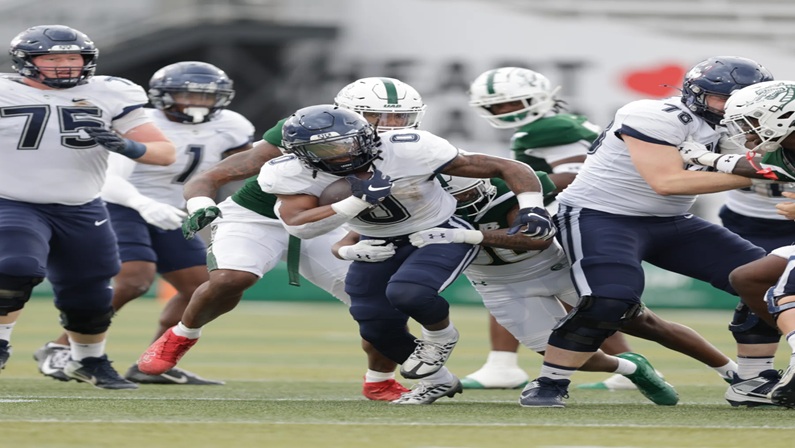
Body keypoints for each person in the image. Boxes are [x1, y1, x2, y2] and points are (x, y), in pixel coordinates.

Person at [172, 103, 556, 405]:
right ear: (302, 155)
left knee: (408, 294)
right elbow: (300, 226)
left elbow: (508, 165)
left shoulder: (411, 147)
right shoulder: (288, 172)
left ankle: (442, 337)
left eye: (345, 142)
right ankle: (435, 382)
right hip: (375, 238)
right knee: (372, 322)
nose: (341, 154)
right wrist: (354, 210)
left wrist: (532, 206)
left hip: (435, 231)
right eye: (325, 149)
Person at [136, 78, 427, 401]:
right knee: (232, 277)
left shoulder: (415, 145)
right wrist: (201, 204)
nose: (388, 127)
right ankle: (181, 335)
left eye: (400, 118)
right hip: (258, 217)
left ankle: (380, 380)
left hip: (331, 220)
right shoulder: (303, 129)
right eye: (375, 117)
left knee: (379, 305)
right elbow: (213, 176)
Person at [519, 55, 780, 408]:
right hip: (602, 215)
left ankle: (752, 379)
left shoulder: (743, 125)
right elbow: (667, 182)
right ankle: (550, 381)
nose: (730, 107)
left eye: (741, 99)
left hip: (670, 221)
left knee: (765, 281)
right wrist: (764, 172)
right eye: (723, 98)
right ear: (695, 93)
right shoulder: (653, 115)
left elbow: (767, 168)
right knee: (610, 299)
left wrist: (765, 169)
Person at [411, 174, 742, 404]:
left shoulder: (508, 187)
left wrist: (468, 235)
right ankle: (632, 368)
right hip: (499, 285)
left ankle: (731, 371)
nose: (465, 200)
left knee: (643, 321)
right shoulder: (419, 207)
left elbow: (534, 239)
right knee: (564, 355)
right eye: (457, 196)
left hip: (557, 267)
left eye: (470, 192)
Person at [32, 61, 254, 385]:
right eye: (186, 94)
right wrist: (143, 204)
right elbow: (110, 180)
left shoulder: (233, 125)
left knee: (202, 288)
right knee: (134, 279)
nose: (196, 103)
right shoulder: (142, 121)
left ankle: (154, 362)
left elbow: (245, 167)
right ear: (164, 96)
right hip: (122, 203)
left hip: (173, 210)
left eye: (206, 97)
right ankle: (60, 347)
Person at [0, 25, 176, 389]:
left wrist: (128, 147)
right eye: (52, 58)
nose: (65, 65)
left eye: (72, 57)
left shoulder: (111, 93)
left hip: (80, 205)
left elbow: (164, 153)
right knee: (15, 266)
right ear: (27, 61)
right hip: (11, 199)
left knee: (92, 294)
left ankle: (89, 360)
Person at [463, 66, 648, 391]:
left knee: (515, 276)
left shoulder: (547, 128)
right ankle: (626, 366)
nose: (506, 111)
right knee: (577, 298)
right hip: (594, 213)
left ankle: (503, 364)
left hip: (582, 214)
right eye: (498, 106)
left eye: (514, 103)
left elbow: (577, 176)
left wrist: (515, 190)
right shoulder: (556, 123)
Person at [685, 80, 795, 406]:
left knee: (786, 284)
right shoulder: (784, 151)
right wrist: (705, 158)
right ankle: (756, 377)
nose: (746, 132)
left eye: (752, 122)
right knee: (750, 278)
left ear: (782, 117)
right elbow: (756, 166)